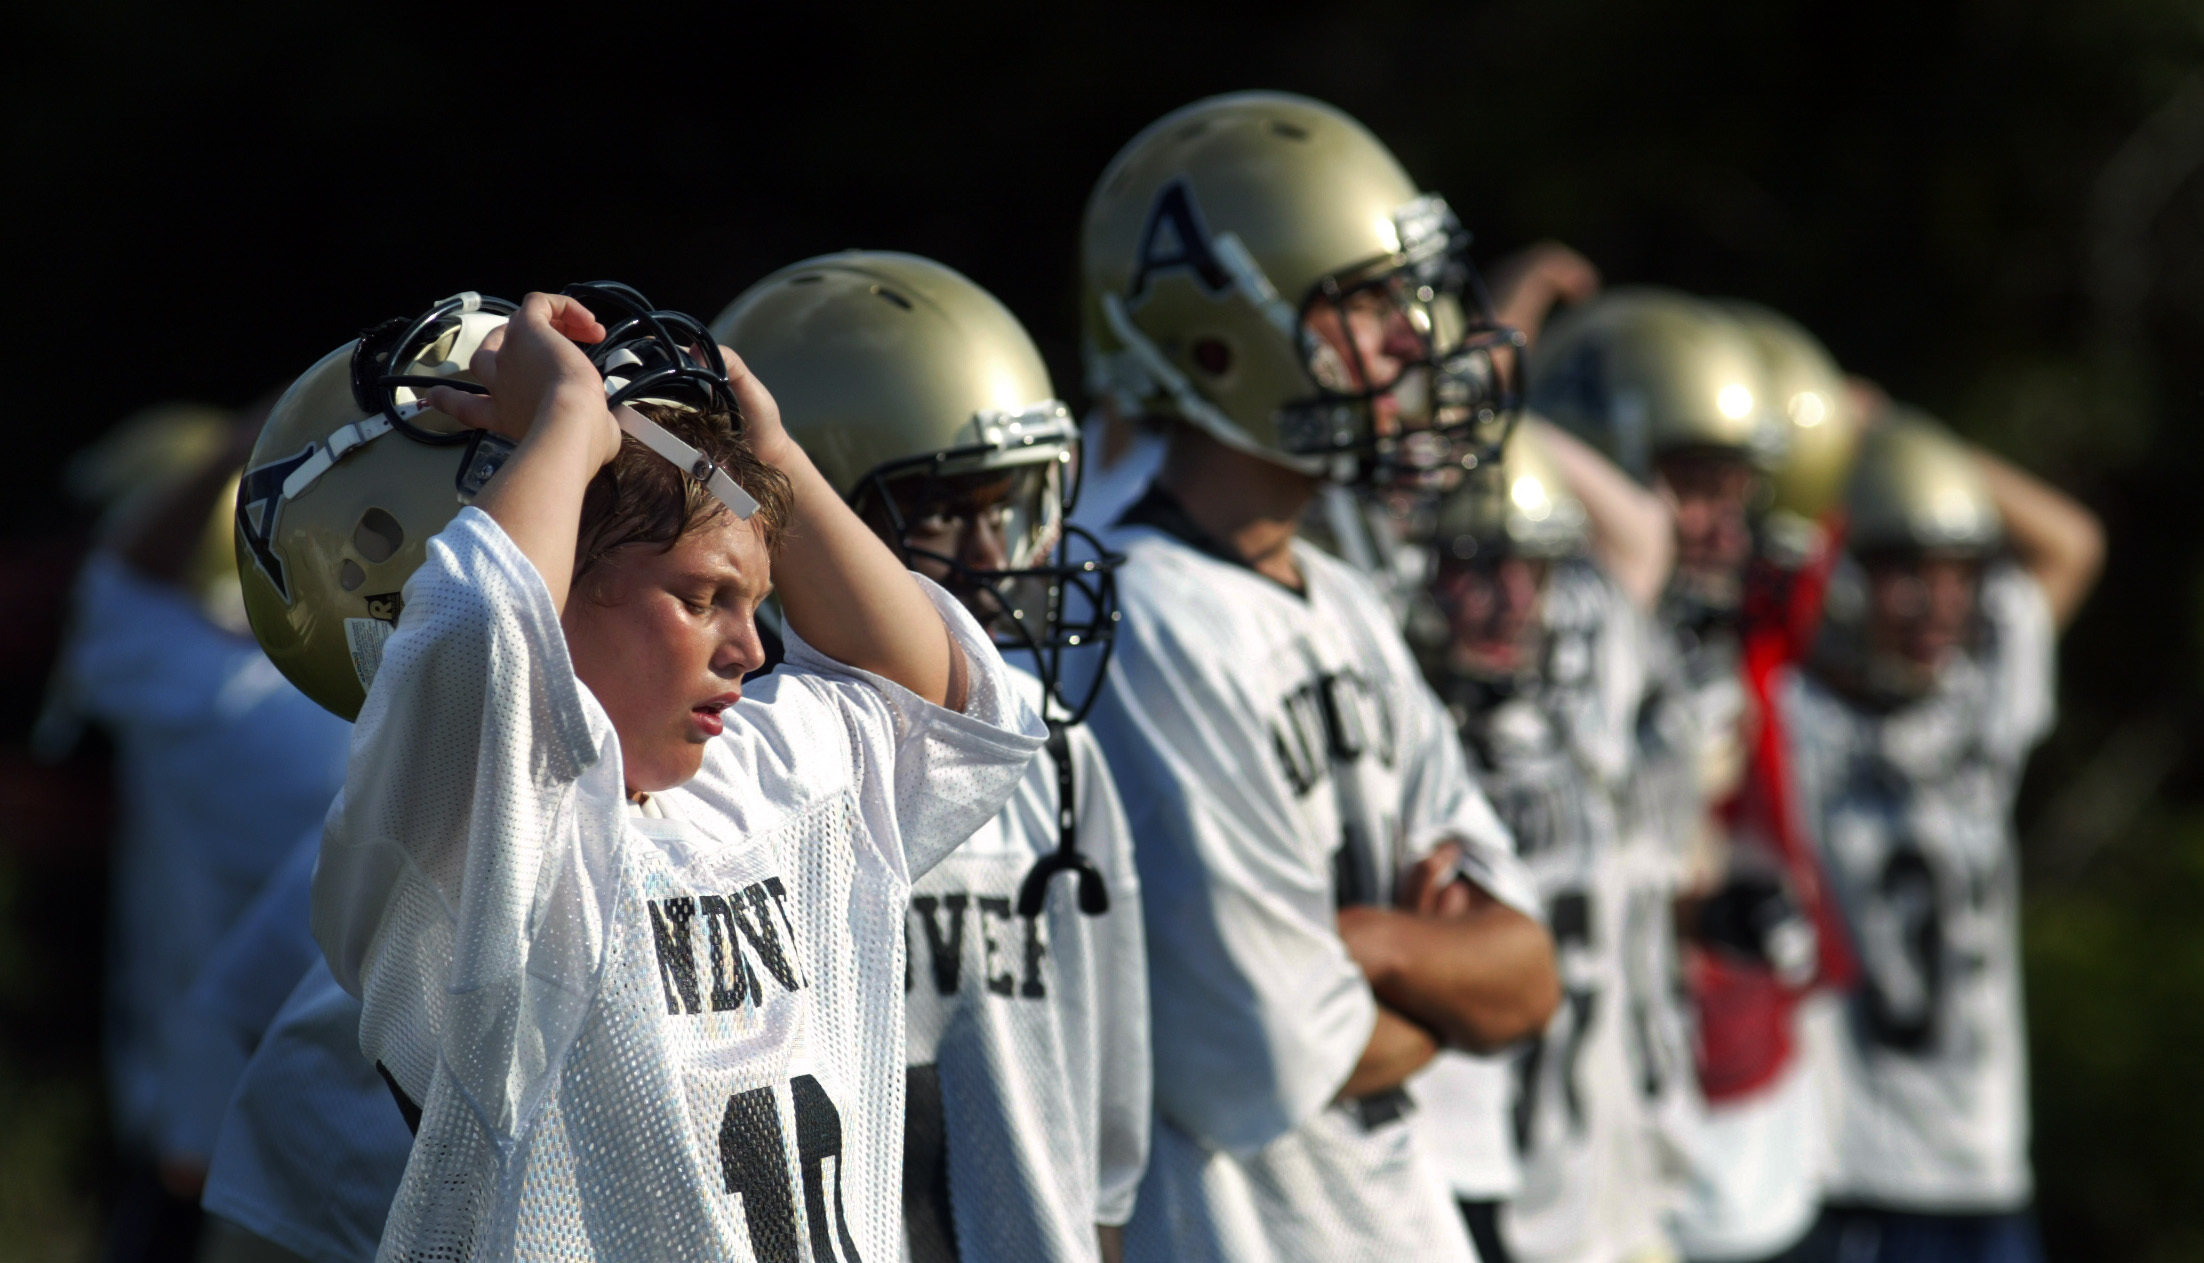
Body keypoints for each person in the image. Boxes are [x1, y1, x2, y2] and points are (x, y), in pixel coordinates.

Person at [234, 284, 1045, 1260]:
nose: (751, 648)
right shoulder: (473, 856)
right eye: (700, 597)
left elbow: (954, 704)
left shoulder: (753, 783)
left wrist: (759, 455)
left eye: (753, 598)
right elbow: (477, 635)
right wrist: (571, 424)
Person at [1076, 90, 1560, 1263]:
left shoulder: (1339, 599)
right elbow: (1262, 1054)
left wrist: (1369, 949)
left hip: (1397, 1217)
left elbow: (1528, 977)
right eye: (1363, 308)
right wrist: (1433, 979)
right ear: (1217, 337)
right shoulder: (1145, 614)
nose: (1413, 343)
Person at [712, 251, 1148, 1263]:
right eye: (948, 512)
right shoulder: (706, 776)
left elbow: (1097, 1173)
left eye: (1011, 509)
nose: (995, 558)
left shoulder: (1051, 750)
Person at [1530, 289, 1833, 1263]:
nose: (1721, 523)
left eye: (1734, 491)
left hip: (1640, 1140)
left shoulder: (1685, 645)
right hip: (1544, 1156)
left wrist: (1701, 913)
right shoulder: (1537, 632)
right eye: (1693, 483)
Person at [1784, 412, 2100, 1263]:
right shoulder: (1794, 713)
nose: (1938, 602)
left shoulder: (1977, 698)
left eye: (1960, 575)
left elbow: (2071, 541)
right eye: (1905, 574)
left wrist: (1897, 432)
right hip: (1854, 1163)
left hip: (1984, 1158)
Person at [42, 402, 352, 1263]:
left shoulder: (221, 703)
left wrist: (285, 415)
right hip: (323, 1142)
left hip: (236, 1147)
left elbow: (123, 591)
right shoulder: (357, 693)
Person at [1413, 419, 1680, 1263]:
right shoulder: (1394, 703)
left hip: (1597, 1168)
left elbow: (1642, 533)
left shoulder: (1579, 688)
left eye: (1537, 569)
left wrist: (1487, 403)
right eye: (1480, 566)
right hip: (1458, 1169)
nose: (1516, 600)